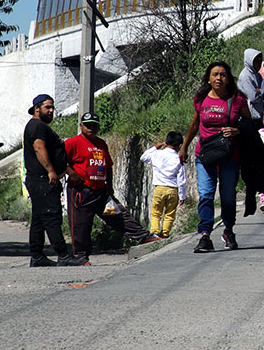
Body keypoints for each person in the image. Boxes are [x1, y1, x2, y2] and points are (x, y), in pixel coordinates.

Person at [182, 61, 252, 252]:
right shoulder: (201, 98)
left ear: (228, 79)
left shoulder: (237, 100)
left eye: (222, 75)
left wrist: (236, 130)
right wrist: (184, 147)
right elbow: (194, 124)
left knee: (228, 197)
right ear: (209, 78)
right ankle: (205, 235)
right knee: (205, 195)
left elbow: (250, 124)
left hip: (230, 155)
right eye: (215, 74)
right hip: (204, 155)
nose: (219, 78)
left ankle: (228, 230)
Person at [65, 112, 155, 262]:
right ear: (81, 126)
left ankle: (143, 237)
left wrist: (110, 185)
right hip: (81, 192)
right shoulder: (72, 143)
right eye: (87, 125)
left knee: (118, 215)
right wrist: (71, 173)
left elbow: (108, 166)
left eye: (94, 125)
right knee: (81, 225)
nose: (91, 128)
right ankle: (80, 256)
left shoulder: (101, 143)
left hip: (101, 192)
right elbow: (59, 162)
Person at [22, 94, 80, 266]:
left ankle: (37, 256)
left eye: (53, 107)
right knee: (52, 216)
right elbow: (39, 149)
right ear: (37, 108)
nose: (51, 111)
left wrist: (67, 171)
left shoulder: (37, 126)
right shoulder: (37, 126)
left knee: (39, 219)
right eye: (48, 107)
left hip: (39, 179)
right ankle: (63, 255)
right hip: (42, 180)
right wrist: (51, 171)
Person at [140, 131, 187, 238]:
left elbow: (143, 157)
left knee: (156, 212)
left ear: (166, 142)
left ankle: (155, 232)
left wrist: (155, 147)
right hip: (173, 190)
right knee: (170, 214)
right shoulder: (178, 159)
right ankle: (165, 233)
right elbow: (182, 180)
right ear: (180, 145)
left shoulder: (157, 154)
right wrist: (182, 195)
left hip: (159, 189)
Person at [237, 49, 264, 117]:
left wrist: (260, 90)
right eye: (256, 62)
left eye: (260, 62)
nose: (258, 64)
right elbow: (253, 97)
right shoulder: (246, 77)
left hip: (260, 113)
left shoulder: (257, 75)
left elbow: (262, 88)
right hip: (252, 114)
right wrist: (263, 91)